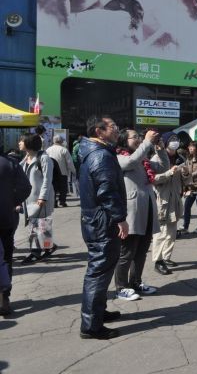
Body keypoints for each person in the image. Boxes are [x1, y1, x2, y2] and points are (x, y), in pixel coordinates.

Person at [78, 115, 128, 339]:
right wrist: (120, 218)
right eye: (113, 127)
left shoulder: (95, 151)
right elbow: (106, 191)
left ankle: (98, 313)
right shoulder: (100, 155)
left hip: (96, 220)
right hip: (102, 222)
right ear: (99, 131)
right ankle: (91, 326)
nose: (117, 130)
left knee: (102, 268)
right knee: (98, 271)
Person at [113, 128, 161, 301]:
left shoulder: (142, 157)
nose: (139, 139)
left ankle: (136, 282)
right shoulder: (120, 157)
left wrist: (160, 149)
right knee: (127, 252)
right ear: (124, 140)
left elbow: (162, 166)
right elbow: (129, 163)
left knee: (141, 251)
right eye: (135, 137)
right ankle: (120, 287)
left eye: (140, 137)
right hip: (131, 213)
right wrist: (147, 143)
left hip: (147, 209)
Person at [0, 143, 31, 315]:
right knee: (5, 258)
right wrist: (12, 201)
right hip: (5, 217)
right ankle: (4, 298)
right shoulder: (11, 163)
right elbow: (25, 187)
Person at [19, 133, 58, 264]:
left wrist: (42, 197)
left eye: (21, 141)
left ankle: (35, 252)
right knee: (40, 226)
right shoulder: (26, 158)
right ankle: (49, 247)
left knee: (38, 226)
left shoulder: (44, 158)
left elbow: (48, 179)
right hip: (29, 198)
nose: (19, 143)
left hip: (41, 198)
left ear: (28, 143)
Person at [150, 132, 184, 275]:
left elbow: (186, 181)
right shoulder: (156, 158)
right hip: (162, 200)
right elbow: (154, 179)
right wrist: (169, 173)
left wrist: (187, 173)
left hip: (176, 199)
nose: (175, 142)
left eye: (176, 139)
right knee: (161, 233)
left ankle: (166, 257)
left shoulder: (180, 158)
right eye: (171, 140)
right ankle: (158, 261)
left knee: (172, 233)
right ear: (164, 142)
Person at [46, 135, 76, 207]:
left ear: (53, 141)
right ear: (62, 141)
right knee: (63, 188)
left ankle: (53, 203)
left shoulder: (48, 150)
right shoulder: (64, 150)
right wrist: (74, 171)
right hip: (63, 171)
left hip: (51, 172)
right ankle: (62, 202)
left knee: (53, 188)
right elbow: (69, 162)